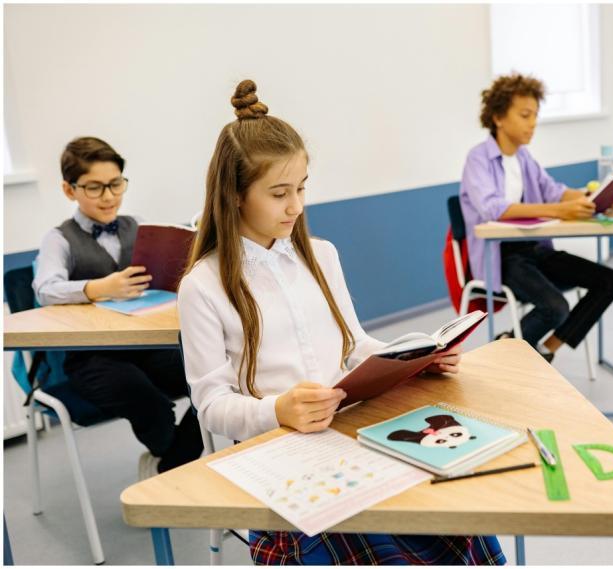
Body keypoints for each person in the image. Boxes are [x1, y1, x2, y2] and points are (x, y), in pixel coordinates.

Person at [177, 79, 504, 565]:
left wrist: (414, 359)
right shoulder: (203, 285)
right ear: (236, 195)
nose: (297, 206)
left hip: (356, 436)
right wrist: (278, 410)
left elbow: (353, 347)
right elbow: (211, 405)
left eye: (302, 188)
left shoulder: (321, 256)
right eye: (279, 193)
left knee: (463, 520)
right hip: (285, 462)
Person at [33, 136, 202, 479]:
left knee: (210, 379)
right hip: (92, 356)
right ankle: (174, 467)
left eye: (115, 184)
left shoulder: (136, 225)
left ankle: (168, 466)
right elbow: (45, 290)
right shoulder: (59, 238)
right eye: (94, 187)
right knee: (149, 403)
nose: (109, 196)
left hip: (146, 344)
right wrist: (98, 288)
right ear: (70, 190)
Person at [459, 73, 613, 362]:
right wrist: (558, 211)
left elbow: (554, 191)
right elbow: (491, 208)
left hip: (536, 250)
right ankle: (504, 349)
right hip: (502, 257)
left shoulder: (524, 158)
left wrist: (595, 196)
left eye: (535, 114)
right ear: (498, 117)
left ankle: (547, 350)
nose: (533, 122)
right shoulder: (478, 159)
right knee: (556, 307)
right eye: (525, 115)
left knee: (609, 281)